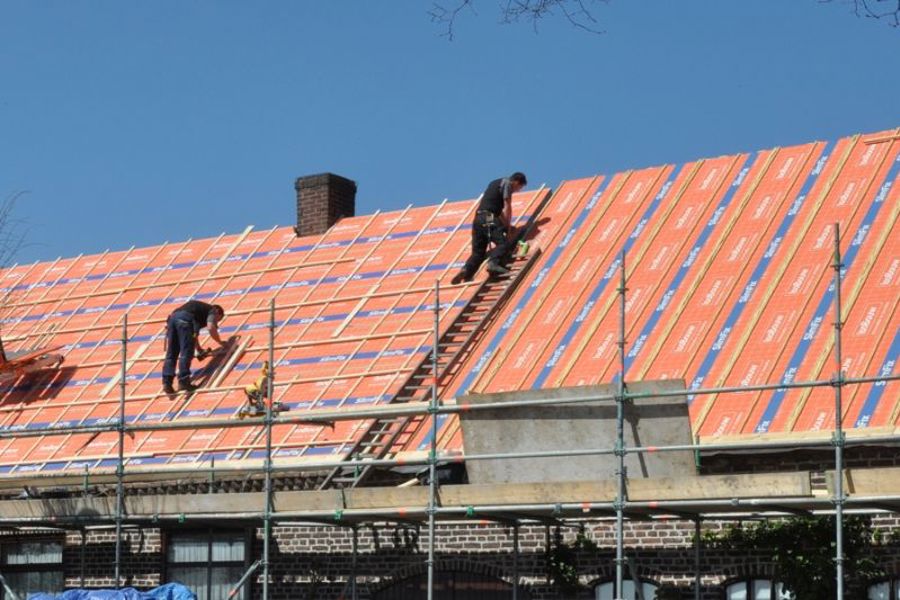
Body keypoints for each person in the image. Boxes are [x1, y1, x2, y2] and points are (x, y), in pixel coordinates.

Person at [452, 172, 527, 284]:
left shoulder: (495, 183)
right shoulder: (507, 184)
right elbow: (507, 205)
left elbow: (498, 211)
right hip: (488, 216)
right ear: (516, 182)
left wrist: (506, 225)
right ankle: (493, 264)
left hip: (478, 218)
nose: (517, 191)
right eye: (519, 188)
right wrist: (508, 229)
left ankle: (466, 270)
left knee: (478, 253)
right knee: (503, 243)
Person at [162, 300, 226, 393]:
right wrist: (220, 342)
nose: (216, 322)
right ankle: (184, 381)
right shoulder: (212, 310)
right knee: (186, 353)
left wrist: (199, 349)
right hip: (184, 321)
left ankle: (167, 383)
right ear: (218, 312)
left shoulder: (197, 312)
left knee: (172, 353)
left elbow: (193, 335)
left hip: (172, 320)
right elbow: (211, 327)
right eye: (218, 319)